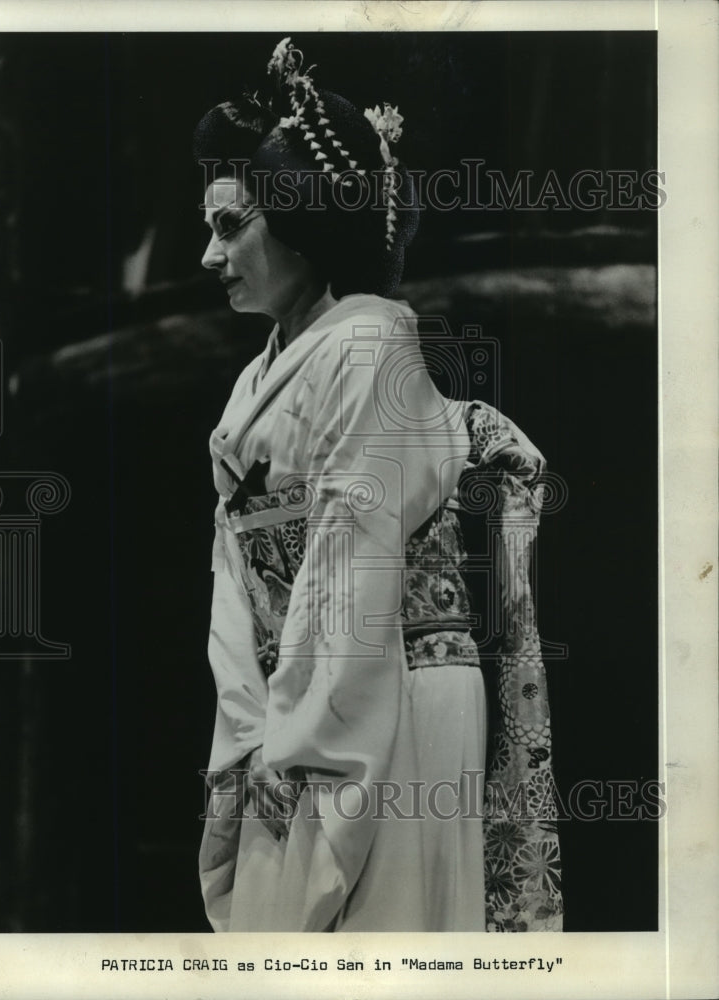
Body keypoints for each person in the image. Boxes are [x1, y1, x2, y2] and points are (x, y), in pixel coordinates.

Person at [196, 38, 562, 933]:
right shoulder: (260, 379)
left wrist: (305, 749)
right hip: (310, 692)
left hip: (386, 692)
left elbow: (350, 570)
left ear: (303, 217)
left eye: (229, 225)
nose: (209, 257)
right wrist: (250, 736)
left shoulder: (370, 348)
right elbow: (237, 584)